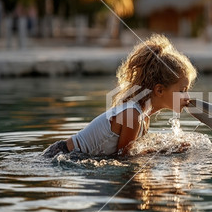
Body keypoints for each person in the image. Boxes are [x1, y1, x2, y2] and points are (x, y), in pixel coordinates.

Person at [43, 34, 197, 158]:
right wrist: (166, 151)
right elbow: (124, 156)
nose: (187, 96)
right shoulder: (133, 114)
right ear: (159, 90)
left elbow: (134, 148)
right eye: (182, 90)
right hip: (62, 155)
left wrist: (167, 145)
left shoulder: (144, 116)